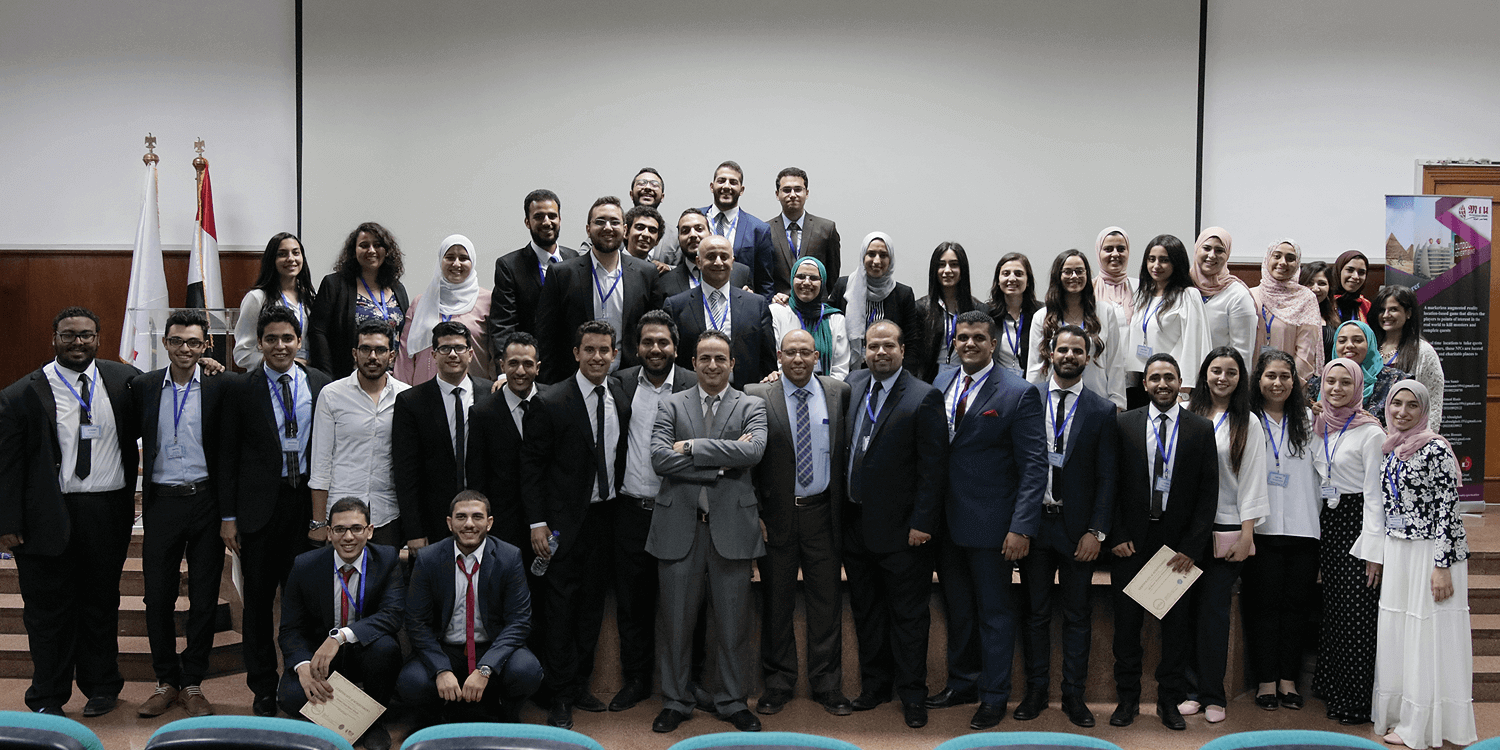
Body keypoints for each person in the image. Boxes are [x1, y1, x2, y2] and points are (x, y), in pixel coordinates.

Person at [0, 306, 140, 716]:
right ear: (54, 338)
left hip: (105, 514)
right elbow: (7, 466)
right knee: (47, 613)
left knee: (101, 605)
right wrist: (6, 523)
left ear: (98, 338)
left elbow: (174, 385)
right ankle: (47, 696)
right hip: (45, 516)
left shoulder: (125, 381)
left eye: (86, 335)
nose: (77, 342)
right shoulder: (20, 394)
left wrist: (207, 364)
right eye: (68, 335)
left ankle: (102, 687)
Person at [647, 330, 768, 734]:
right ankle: (675, 701)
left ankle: (733, 701)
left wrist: (690, 447)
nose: (712, 365)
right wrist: (722, 462)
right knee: (676, 623)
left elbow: (753, 452)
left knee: (734, 625)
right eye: (704, 358)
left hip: (732, 528)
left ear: (732, 363)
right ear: (693, 363)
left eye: (720, 358)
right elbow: (660, 459)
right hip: (678, 527)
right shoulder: (671, 403)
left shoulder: (752, 405)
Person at [933, 312, 1048, 729]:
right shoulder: (941, 381)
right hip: (944, 524)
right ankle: (962, 683)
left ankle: (994, 695)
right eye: (962, 337)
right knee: (959, 610)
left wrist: (1021, 527)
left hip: (993, 527)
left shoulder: (1018, 392)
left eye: (978, 338)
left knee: (994, 614)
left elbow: (1034, 466)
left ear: (993, 342)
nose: (969, 344)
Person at [218, 305, 333, 716]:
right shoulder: (240, 388)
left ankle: (303, 684)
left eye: (287, 338)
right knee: (258, 604)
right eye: (271, 339)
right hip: (258, 513)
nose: (280, 346)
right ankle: (263, 687)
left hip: (307, 506)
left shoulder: (321, 384)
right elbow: (227, 456)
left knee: (305, 602)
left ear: (299, 341)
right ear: (259, 343)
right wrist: (228, 517)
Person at [520, 320, 630, 728]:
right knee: (560, 610)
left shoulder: (620, 395)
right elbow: (531, 469)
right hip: (561, 525)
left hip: (606, 518)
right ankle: (559, 695)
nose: (598, 357)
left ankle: (580, 683)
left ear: (614, 354)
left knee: (590, 609)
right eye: (590, 350)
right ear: (576, 353)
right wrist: (537, 523)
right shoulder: (550, 400)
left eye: (605, 350)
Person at [842, 320, 948, 729]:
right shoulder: (852, 386)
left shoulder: (923, 396)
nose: (880, 352)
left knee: (908, 618)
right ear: (864, 351)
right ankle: (875, 687)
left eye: (888, 346)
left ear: (903, 351)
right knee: (867, 613)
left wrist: (923, 523)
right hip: (856, 525)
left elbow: (933, 469)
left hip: (905, 533)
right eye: (873, 346)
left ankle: (912, 694)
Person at [1107, 353, 1217, 731]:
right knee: (1127, 627)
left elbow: (1208, 494)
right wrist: (1116, 534)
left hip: (1177, 546)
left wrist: (1191, 547)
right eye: (1155, 378)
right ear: (1145, 384)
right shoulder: (1123, 424)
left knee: (1176, 628)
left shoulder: (1200, 429)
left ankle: (1169, 701)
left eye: (1169, 377)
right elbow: (1110, 484)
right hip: (1131, 543)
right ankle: (1127, 700)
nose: (1162, 384)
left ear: (1180, 382)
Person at [1364, 381, 1477, 748]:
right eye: (1396, 403)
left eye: (1412, 405)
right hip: (1400, 550)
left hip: (1430, 552)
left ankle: (1422, 724)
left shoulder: (1435, 448)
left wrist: (1442, 565)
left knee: (1425, 634)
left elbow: (1448, 509)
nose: (1402, 411)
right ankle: (1400, 714)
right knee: (1401, 632)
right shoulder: (1391, 447)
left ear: (1424, 410)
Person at [746, 330, 853, 717]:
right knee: (777, 602)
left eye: (805, 352)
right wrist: (756, 512)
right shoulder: (757, 395)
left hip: (823, 514)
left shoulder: (839, 392)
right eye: (790, 352)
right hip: (776, 516)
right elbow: (748, 462)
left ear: (817, 356)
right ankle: (778, 683)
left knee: (826, 602)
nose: (797, 359)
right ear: (778, 356)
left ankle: (828, 685)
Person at [1016, 325, 1117, 728]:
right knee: (1035, 613)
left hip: (1079, 532)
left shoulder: (1101, 410)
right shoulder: (1029, 398)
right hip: (1035, 525)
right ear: (1050, 353)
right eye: (1063, 349)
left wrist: (1097, 531)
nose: (1070, 356)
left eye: (1078, 351)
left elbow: (1108, 477)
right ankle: (1036, 692)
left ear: (1087, 358)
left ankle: (1074, 696)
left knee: (1077, 616)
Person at [130, 309, 227, 718]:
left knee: (204, 597)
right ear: (165, 344)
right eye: (176, 341)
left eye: (193, 342)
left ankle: (193, 682)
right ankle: (165, 680)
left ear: (206, 345)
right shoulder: (144, 386)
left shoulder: (220, 385)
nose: (184, 348)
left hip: (207, 502)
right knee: (157, 596)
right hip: (163, 502)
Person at [608, 311, 696, 712]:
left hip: (680, 509)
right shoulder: (620, 383)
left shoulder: (694, 383)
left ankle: (688, 681)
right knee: (633, 604)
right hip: (631, 510)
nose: (655, 349)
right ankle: (637, 680)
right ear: (636, 347)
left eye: (663, 342)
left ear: (675, 347)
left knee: (685, 604)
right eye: (647, 342)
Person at [396, 491, 542, 723]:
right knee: (412, 682)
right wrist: (441, 669)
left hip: (491, 646)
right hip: (446, 648)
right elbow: (416, 622)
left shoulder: (509, 557)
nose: (469, 524)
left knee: (526, 671)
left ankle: (506, 716)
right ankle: (435, 720)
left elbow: (519, 622)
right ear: (450, 523)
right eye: (461, 517)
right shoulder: (428, 558)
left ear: (489, 523)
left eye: (477, 517)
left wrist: (486, 668)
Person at [1179, 347, 1269, 724]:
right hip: (1186, 533)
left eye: (1231, 372)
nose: (1222, 378)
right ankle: (1189, 691)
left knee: (1213, 613)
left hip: (1226, 532)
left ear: (1240, 379)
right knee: (1183, 611)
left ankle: (1213, 695)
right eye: (1216, 370)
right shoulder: (1187, 413)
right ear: (1205, 373)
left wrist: (1247, 534)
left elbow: (1253, 481)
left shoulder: (1248, 422)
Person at [277, 498, 405, 750]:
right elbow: (290, 628)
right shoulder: (305, 565)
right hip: (320, 659)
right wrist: (303, 666)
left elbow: (392, 614)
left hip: (365, 652)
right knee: (290, 697)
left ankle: (373, 723)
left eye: (356, 528)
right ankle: (345, 721)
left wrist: (340, 636)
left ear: (369, 531)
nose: (348, 537)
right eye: (339, 529)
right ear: (328, 532)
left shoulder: (387, 559)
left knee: (386, 648)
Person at [1308, 357, 1385, 726]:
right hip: (1329, 523)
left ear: (1358, 387)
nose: (1336, 389)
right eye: (1330, 382)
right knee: (1335, 611)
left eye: (1345, 383)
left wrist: (1374, 551)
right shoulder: (1319, 425)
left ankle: (1355, 701)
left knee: (1357, 616)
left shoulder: (1371, 433)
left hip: (1357, 524)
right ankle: (1332, 687)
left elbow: (1375, 496)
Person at [1241, 349, 1320, 712]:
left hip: (1304, 527)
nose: (1278, 383)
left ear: (1295, 382)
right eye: (1271, 375)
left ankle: (1288, 679)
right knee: (1263, 607)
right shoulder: (1248, 419)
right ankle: (1266, 681)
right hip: (1263, 528)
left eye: (1285, 376)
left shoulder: (1311, 419)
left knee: (1296, 608)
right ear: (1258, 379)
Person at [534, 196, 661, 383]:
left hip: (630, 380)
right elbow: (546, 334)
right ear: (588, 229)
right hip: (574, 380)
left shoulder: (646, 273)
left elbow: (653, 331)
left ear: (625, 229)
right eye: (600, 221)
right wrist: (550, 384)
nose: (608, 227)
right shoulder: (562, 274)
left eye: (615, 222)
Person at [394, 322, 496, 551]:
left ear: (470, 354)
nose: (452, 354)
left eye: (459, 348)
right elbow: (406, 473)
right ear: (433, 355)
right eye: (445, 348)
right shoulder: (411, 402)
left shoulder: (491, 394)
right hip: (433, 520)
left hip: (484, 517)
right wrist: (414, 531)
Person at [309, 320, 410, 548]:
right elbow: (321, 463)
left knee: (386, 571)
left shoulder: (406, 397)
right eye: (366, 349)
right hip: (340, 513)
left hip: (388, 513)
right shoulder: (332, 395)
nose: (372, 356)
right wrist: (318, 522)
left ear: (392, 356)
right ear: (355, 353)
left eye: (380, 350)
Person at [662, 235, 776, 389]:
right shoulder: (676, 306)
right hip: (692, 393)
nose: (718, 262)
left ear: (732, 262)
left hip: (745, 393)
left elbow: (768, 362)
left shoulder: (757, 305)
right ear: (698, 262)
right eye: (711, 257)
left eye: (724, 257)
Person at [465, 332, 542, 557]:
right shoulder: (482, 413)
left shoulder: (555, 401)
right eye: (513, 363)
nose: (520, 371)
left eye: (528, 364)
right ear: (502, 365)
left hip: (548, 521)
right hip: (503, 525)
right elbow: (477, 476)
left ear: (538, 367)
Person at [1027, 249, 1127, 409]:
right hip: (1053, 405)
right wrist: (1032, 405)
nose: (1074, 276)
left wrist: (1117, 404)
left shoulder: (1105, 312)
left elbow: (1115, 363)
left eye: (1079, 271)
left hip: (1097, 402)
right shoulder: (1042, 317)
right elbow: (1035, 368)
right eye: (1067, 272)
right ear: (1058, 275)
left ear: (1087, 275)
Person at [309, 222, 410, 379]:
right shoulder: (335, 285)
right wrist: (326, 375)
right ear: (353, 251)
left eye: (378, 245)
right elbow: (318, 332)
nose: (371, 250)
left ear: (387, 251)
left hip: (391, 379)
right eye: (364, 245)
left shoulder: (397, 288)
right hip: (348, 378)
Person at [488, 189, 579, 353]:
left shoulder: (575, 259)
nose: (546, 222)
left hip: (569, 360)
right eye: (538, 216)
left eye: (552, 216)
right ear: (527, 222)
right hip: (527, 360)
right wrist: (507, 364)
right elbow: (503, 325)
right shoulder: (509, 266)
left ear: (560, 219)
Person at [1126, 234, 1211, 409]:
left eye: (1164, 260)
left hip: (1171, 386)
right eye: (1151, 259)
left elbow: (1194, 344)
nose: (1156, 266)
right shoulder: (1143, 295)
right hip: (1143, 382)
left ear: (1176, 263)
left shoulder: (1188, 295)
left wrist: (1183, 391)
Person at [397, 234, 493, 384]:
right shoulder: (421, 302)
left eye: (463, 258)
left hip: (473, 390)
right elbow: (405, 355)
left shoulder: (488, 301)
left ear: (472, 261)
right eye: (449, 257)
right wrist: (402, 391)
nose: (456, 264)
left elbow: (495, 351)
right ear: (440, 260)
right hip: (424, 391)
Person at [830, 233, 921, 371]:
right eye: (871, 254)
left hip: (888, 369)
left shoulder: (903, 294)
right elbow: (828, 325)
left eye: (883, 255)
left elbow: (911, 342)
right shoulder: (843, 286)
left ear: (891, 259)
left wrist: (905, 379)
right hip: (847, 369)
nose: (877, 261)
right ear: (863, 256)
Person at [234, 232, 315, 368]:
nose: (291, 259)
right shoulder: (257, 298)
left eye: (296, 253)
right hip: (269, 375)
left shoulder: (310, 299)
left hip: (305, 374)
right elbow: (242, 354)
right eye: (282, 254)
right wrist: (286, 362)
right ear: (272, 260)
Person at [1306, 320, 1408, 426]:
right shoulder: (1320, 383)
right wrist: (1314, 412)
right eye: (1342, 341)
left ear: (1370, 343)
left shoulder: (1394, 381)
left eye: (1358, 340)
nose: (1349, 345)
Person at [1249, 239, 1325, 380]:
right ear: (1267, 258)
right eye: (1277, 256)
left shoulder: (1306, 298)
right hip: (1251, 380)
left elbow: (1306, 352)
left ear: (1297, 263)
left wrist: (1292, 383)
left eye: (1290, 258)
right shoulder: (1250, 295)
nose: (1283, 262)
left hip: (1287, 382)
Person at [1372, 285, 1445, 430]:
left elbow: (1433, 404)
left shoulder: (1424, 352)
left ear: (1408, 313)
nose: (1386, 315)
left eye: (1393, 309)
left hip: (1409, 435)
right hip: (1372, 434)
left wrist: (1422, 438)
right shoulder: (1370, 348)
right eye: (1381, 310)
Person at [699, 160, 775, 299]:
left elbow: (765, 283)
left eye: (733, 182)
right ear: (712, 186)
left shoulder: (759, 229)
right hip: (698, 299)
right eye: (721, 181)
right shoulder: (694, 220)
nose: (726, 186)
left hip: (741, 303)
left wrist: (761, 306)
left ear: (742, 190)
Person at [915, 242, 987, 382]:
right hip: (929, 380)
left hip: (966, 378)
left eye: (954, 264)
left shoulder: (978, 309)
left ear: (962, 269)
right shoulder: (921, 308)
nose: (947, 270)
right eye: (941, 265)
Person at [769, 257, 849, 379]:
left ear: (823, 283)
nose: (806, 282)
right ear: (792, 279)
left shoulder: (836, 319)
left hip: (827, 389)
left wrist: (817, 388)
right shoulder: (777, 312)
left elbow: (841, 370)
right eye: (801, 277)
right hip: (785, 386)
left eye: (814, 278)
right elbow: (774, 362)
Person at [766, 167, 841, 293]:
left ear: (807, 193)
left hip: (815, 302)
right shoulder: (765, 231)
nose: (792, 195)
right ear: (777, 194)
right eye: (786, 190)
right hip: (778, 302)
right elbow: (763, 276)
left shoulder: (827, 229)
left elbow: (832, 277)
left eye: (798, 189)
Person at [1191, 228, 1257, 366]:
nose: (1211, 255)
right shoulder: (1183, 287)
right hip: (1183, 374)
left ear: (1227, 255)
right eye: (1206, 248)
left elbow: (1242, 352)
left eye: (1219, 250)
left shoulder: (1237, 295)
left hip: (1218, 375)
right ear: (1196, 249)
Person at [658, 208, 755, 299]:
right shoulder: (665, 282)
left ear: (710, 234)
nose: (693, 235)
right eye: (685, 231)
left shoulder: (741, 273)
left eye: (699, 229)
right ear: (678, 238)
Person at [987, 252, 1040, 377]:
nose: (1012, 278)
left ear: (1028, 281)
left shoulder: (1039, 314)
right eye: (1006, 274)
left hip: (1032, 382)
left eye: (1018, 274)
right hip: (997, 382)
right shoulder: (987, 314)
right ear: (998, 280)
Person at [1094, 226, 1136, 325]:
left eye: (1121, 249)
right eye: (1108, 249)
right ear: (1098, 252)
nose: (1115, 254)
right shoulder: (1089, 289)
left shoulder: (1140, 288)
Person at [1299, 260, 1341, 356]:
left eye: (1322, 283)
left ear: (1329, 287)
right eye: (1310, 283)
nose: (1315, 288)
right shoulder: (1290, 315)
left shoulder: (1334, 316)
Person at [1332, 250, 1372, 324]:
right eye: (1350, 270)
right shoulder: (1325, 303)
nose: (1356, 276)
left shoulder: (1366, 306)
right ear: (1339, 271)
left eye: (1361, 272)